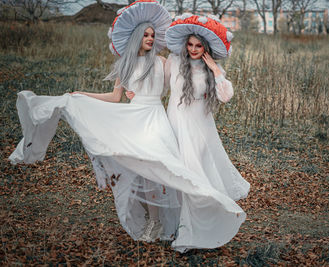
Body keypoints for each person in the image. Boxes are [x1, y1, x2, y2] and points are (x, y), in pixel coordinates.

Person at [9, 1, 246, 252]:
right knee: (141, 169)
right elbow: (114, 97)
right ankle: (155, 221)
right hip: (135, 118)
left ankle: (173, 220)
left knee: (163, 168)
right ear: (136, 36)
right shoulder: (126, 65)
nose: (151, 39)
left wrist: (211, 75)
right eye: (145, 35)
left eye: (153, 35)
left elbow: (178, 87)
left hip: (157, 119)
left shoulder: (164, 63)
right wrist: (82, 95)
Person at [165, 14, 250, 201]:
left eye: (198, 45)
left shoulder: (211, 69)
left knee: (198, 165)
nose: (193, 49)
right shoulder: (174, 61)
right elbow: (161, 88)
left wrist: (216, 70)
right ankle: (179, 211)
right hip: (175, 119)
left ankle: (201, 206)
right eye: (190, 45)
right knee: (177, 166)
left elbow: (226, 96)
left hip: (201, 123)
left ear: (205, 48)